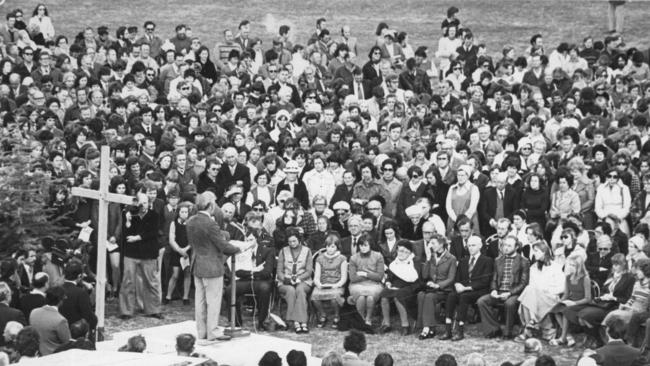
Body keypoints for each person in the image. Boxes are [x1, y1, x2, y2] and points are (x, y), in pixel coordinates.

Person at [186, 191, 253, 341]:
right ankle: (213, 332)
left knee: (200, 302)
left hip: (197, 264)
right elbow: (224, 246)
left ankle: (202, 332)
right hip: (211, 267)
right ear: (210, 206)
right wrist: (242, 247)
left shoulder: (191, 221)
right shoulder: (210, 223)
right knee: (213, 301)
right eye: (215, 203)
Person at [225, 212, 275, 331]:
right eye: (247, 239)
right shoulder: (240, 251)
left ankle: (262, 321)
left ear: (257, 239)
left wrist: (249, 273)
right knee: (229, 290)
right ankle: (236, 321)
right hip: (244, 280)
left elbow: (267, 272)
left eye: (251, 239)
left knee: (265, 288)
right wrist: (253, 271)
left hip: (260, 281)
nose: (249, 242)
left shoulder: (268, 251)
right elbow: (237, 272)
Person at [575, 253, 636, 348]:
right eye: (613, 264)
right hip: (604, 303)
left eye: (617, 264)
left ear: (624, 264)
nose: (614, 267)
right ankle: (594, 337)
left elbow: (627, 298)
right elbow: (603, 290)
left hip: (615, 306)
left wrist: (614, 298)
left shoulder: (629, 278)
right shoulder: (612, 274)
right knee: (581, 317)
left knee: (584, 315)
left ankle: (599, 339)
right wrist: (604, 296)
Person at [441, 236, 493, 341]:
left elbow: (485, 281)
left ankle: (460, 330)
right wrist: (457, 284)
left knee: (464, 297)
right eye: (469, 245)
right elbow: (457, 278)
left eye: (473, 245)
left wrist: (466, 288)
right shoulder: (463, 261)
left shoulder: (487, 261)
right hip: (463, 289)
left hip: (478, 290)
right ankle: (448, 329)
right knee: (451, 295)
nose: (471, 248)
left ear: (480, 246)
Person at [477, 235, 529, 339]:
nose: (506, 248)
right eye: (504, 245)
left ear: (516, 247)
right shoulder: (498, 260)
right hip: (500, 291)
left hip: (514, 293)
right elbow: (494, 279)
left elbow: (524, 283)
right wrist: (494, 290)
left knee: (509, 304)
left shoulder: (524, 261)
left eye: (509, 246)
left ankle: (507, 332)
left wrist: (510, 293)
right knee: (482, 301)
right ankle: (494, 328)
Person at [516, 241, 565, 342]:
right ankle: (532, 321)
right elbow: (532, 285)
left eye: (537, 251)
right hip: (536, 296)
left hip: (551, 296)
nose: (534, 254)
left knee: (528, 295)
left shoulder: (556, 267)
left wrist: (546, 290)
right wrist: (539, 291)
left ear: (544, 252)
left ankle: (529, 327)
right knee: (530, 291)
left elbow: (562, 287)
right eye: (534, 251)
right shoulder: (533, 267)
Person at [417, 234, 457, 339]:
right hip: (431, 289)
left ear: (441, 244)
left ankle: (427, 328)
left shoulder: (451, 258)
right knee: (421, 295)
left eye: (433, 243)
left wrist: (438, 285)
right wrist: (428, 259)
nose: (431, 245)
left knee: (429, 297)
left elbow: (451, 278)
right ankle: (429, 327)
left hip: (445, 290)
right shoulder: (432, 257)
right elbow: (425, 275)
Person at [549, 253, 592, 347]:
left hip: (581, 302)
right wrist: (560, 301)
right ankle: (568, 335)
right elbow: (566, 294)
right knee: (556, 309)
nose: (571, 267)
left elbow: (588, 298)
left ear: (579, 266)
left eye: (573, 265)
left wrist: (574, 303)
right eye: (570, 265)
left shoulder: (585, 278)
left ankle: (563, 337)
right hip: (571, 300)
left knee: (566, 311)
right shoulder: (568, 277)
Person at [379, 240, 420, 335]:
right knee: (384, 295)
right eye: (400, 251)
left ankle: (405, 325)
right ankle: (386, 323)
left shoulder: (415, 261)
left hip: (410, 287)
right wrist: (388, 282)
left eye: (406, 252)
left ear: (410, 252)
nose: (402, 254)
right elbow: (389, 277)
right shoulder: (394, 263)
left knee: (398, 296)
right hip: (395, 286)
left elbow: (417, 279)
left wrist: (400, 287)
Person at [277, 227, 313, 333]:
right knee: (291, 291)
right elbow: (279, 272)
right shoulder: (283, 251)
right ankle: (296, 322)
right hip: (286, 281)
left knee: (300, 290)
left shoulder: (307, 251)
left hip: (303, 280)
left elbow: (309, 271)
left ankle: (302, 321)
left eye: (294, 241)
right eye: (289, 242)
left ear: (299, 239)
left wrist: (298, 279)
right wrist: (287, 280)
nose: (292, 243)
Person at [312, 233, 348, 329]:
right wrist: (318, 284)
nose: (330, 249)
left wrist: (337, 285)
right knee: (314, 297)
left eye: (332, 247)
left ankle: (336, 315)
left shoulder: (342, 259)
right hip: (323, 284)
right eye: (328, 246)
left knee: (334, 298)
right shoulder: (319, 259)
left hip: (336, 284)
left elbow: (344, 277)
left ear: (337, 247)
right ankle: (323, 315)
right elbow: (316, 276)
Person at [348, 238, 385, 327]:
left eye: (365, 245)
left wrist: (364, 273)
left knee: (370, 297)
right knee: (360, 296)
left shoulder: (378, 256)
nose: (363, 248)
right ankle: (360, 320)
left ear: (370, 245)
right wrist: (372, 274)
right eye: (361, 245)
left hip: (374, 284)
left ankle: (368, 319)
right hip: (357, 284)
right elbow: (353, 278)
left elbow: (379, 276)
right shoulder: (353, 258)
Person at [164, 201, 193, 305]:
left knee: (187, 273)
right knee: (175, 275)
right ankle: (168, 296)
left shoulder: (191, 224)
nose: (184, 214)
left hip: (187, 252)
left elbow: (193, 240)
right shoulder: (174, 223)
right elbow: (172, 240)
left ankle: (185, 297)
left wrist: (186, 250)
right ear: (179, 212)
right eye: (182, 212)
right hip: (176, 251)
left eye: (186, 212)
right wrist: (179, 250)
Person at [29, 286, 70, 356]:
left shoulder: (33, 312)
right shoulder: (60, 320)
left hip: (37, 356)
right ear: (61, 301)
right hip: (54, 358)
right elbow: (67, 343)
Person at [59, 261, 97, 333]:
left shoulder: (56, 289)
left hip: (59, 331)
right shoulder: (80, 293)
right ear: (79, 276)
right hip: (76, 333)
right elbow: (89, 317)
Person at [0, 282, 26, 347]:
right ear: (8, 296)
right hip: (12, 352)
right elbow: (25, 337)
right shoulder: (16, 314)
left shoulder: (16, 313)